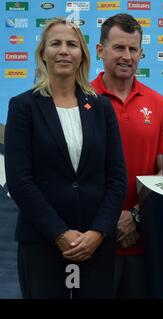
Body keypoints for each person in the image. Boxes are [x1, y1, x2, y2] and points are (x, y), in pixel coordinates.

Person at [4, 18, 127, 298]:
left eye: (71, 44)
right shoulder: (23, 107)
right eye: (55, 43)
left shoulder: (100, 107)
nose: (63, 50)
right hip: (42, 245)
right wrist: (60, 234)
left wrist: (98, 232)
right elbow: (20, 182)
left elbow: (117, 177)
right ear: (43, 53)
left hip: (96, 246)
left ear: (82, 55)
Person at [91, 13, 163, 298]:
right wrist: (111, 217)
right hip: (91, 241)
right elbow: (73, 173)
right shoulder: (82, 99)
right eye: (119, 48)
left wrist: (134, 216)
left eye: (133, 49)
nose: (126, 56)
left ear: (141, 53)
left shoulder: (160, 105)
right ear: (100, 51)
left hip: (143, 241)